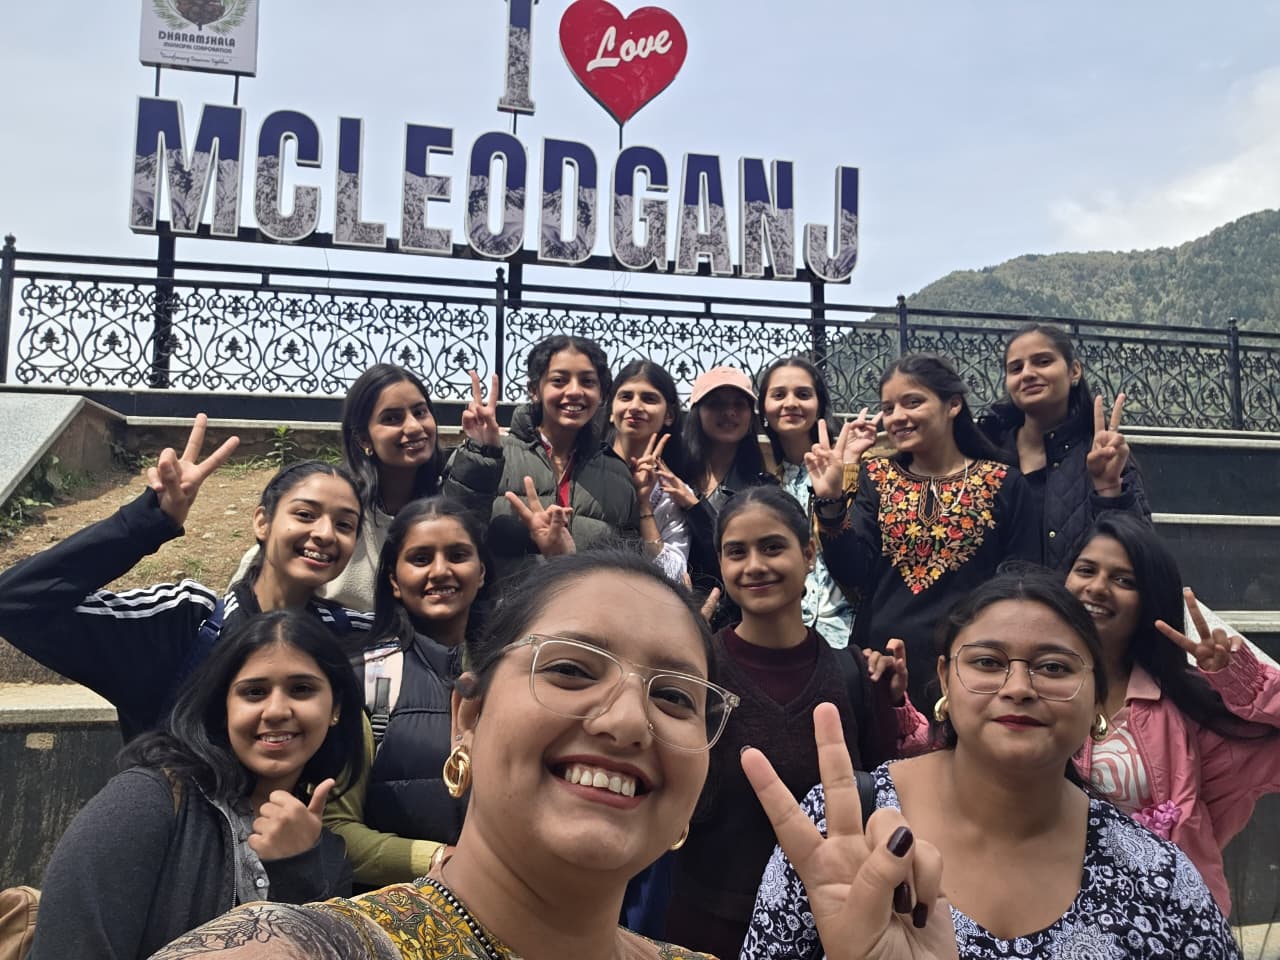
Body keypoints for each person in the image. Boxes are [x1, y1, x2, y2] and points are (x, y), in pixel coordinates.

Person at [146, 547, 738, 958]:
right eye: (570, 669)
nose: (630, 721)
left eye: (674, 697)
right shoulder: (320, 948)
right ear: (468, 719)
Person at [742, 568, 1242, 959]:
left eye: (1053, 667)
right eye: (987, 662)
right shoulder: (843, 828)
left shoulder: (1156, 878)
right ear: (945, 677)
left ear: (1097, 696)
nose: (1019, 688)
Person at [0, 417, 371, 740]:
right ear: (262, 521)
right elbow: (13, 602)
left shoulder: (356, 637)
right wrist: (147, 523)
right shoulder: (182, 622)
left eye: (344, 524)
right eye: (305, 514)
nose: (325, 533)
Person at [664, 486, 917, 958]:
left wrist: (892, 699)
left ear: (808, 554)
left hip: (828, 930)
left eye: (772, 547)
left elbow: (888, 796)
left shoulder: (856, 675)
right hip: (706, 926)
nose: (755, 565)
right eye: (737, 552)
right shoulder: (697, 672)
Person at [28, 611, 365, 960]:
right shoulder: (147, 802)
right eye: (254, 692)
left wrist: (297, 869)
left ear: (336, 707)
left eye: (301, 689)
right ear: (224, 708)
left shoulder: (329, 855)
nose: (276, 710)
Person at [1066, 511, 1280, 914]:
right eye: (1086, 570)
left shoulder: (1184, 709)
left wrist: (1241, 679)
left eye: (1123, 580)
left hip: (1170, 919)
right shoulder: (1024, 682)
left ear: (1150, 600)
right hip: (1050, 914)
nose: (1096, 588)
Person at [808, 353, 1040, 710]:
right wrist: (831, 502)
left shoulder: (1004, 482)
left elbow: (1022, 579)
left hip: (974, 665)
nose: (897, 417)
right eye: (888, 408)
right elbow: (853, 573)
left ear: (953, 405)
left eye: (913, 402)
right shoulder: (876, 477)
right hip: (883, 663)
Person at [323, 497, 490, 887]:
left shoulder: (516, 671)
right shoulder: (362, 677)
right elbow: (334, 828)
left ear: (481, 571)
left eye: (458, 555)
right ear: (394, 581)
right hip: (399, 910)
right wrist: (441, 859)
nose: (441, 571)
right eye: (420, 558)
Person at [229, 363, 450, 609]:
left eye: (420, 412)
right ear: (363, 438)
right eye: (391, 418)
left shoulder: (449, 500)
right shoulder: (337, 502)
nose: (414, 427)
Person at [444, 336, 640, 581]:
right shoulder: (491, 453)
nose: (574, 391)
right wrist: (481, 456)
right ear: (534, 390)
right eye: (559, 380)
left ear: (601, 394)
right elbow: (451, 530)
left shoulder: (617, 473)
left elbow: (629, 566)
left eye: (588, 381)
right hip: (508, 605)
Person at [979, 324, 1150, 570]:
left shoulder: (1102, 454)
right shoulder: (985, 452)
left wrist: (1110, 491)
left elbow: (1142, 552)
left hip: (1073, 594)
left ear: (1074, 371)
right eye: (1016, 368)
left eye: (1043, 362)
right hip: (997, 595)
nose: (1027, 374)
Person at [660, 365, 776, 611]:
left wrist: (694, 507)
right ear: (697, 411)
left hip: (733, 614)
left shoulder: (763, 487)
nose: (729, 412)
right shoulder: (672, 471)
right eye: (716, 404)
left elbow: (743, 553)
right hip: (669, 607)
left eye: (739, 405)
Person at [757, 356, 854, 648]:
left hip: (847, 630)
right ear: (763, 408)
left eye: (802, 394)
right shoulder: (759, 478)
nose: (791, 403)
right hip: (779, 633)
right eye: (778, 395)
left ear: (819, 405)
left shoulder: (852, 467)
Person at [608, 360, 691, 583]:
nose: (635, 407)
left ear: (669, 415)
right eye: (626, 397)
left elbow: (674, 574)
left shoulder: (673, 492)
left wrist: (644, 505)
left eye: (649, 398)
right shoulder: (584, 471)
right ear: (610, 410)